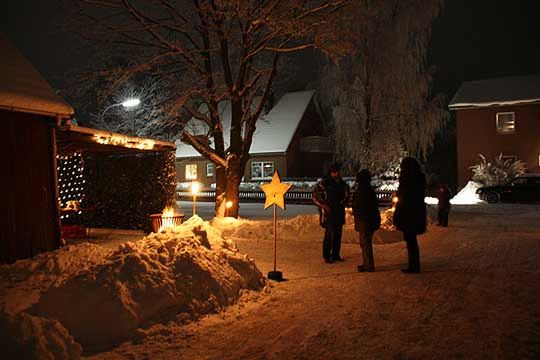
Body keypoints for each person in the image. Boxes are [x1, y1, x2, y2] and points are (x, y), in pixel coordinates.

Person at [393, 157, 427, 273]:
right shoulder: (419, 179)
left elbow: (404, 197)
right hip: (415, 213)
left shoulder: (407, 180)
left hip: (408, 214)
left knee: (410, 240)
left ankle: (414, 266)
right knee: (412, 240)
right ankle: (414, 264)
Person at [313, 163, 350, 263]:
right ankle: (327, 255)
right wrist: (324, 206)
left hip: (339, 211)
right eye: (334, 172)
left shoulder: (342, 184)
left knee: (338, 234)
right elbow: (315, 196)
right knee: (329, 235)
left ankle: (336, 254)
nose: (337, 173)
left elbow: (347, 196)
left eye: (338, 171)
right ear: (331, 172)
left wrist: (343, 202)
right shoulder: (324, 184)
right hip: (329, 213)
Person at [352, 170, 381, 272]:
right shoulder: (367, 189)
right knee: (365, 242)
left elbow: (361, 206)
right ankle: (367, 263)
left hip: (365, 220)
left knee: (365, 243)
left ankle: (368, 264)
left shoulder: (362, 190)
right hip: (368, 220)